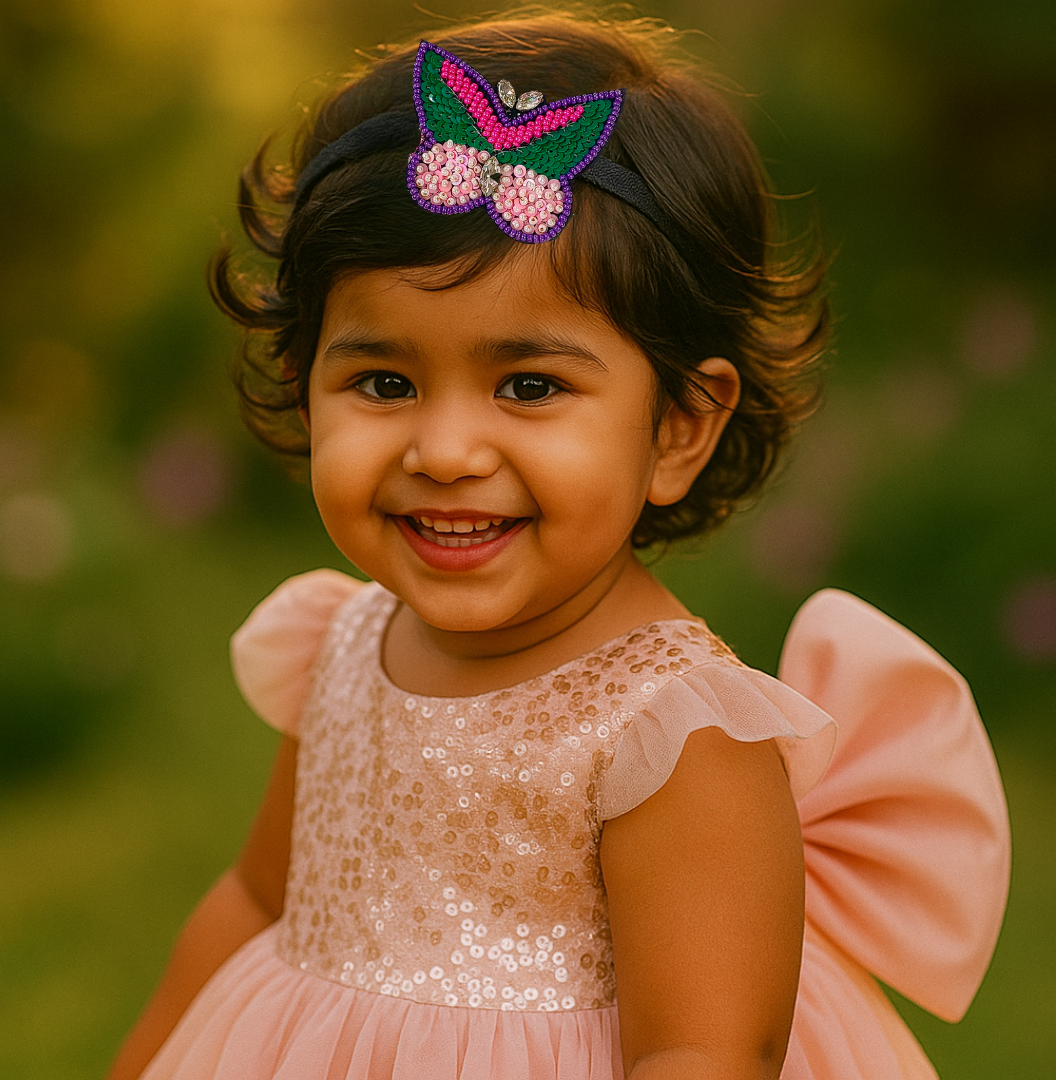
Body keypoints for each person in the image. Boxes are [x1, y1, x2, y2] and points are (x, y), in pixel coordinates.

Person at [106, 13, 1010, 1080]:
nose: (443, 451)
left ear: (678, 426)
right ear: (307, 383)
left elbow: (703, 1050)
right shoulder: (338, 642)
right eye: (383, 382)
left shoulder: (676, 737)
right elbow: (262, 896)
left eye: (529, 386)